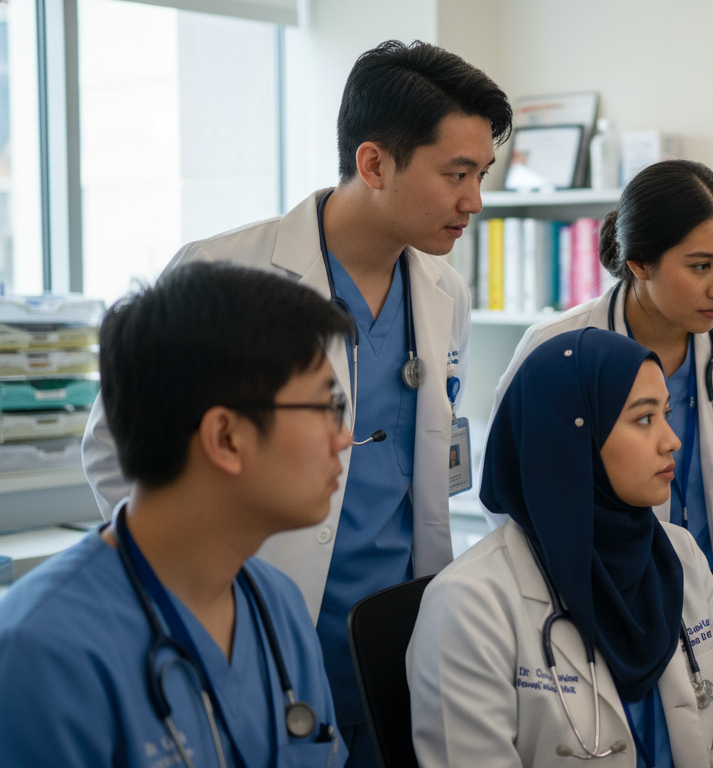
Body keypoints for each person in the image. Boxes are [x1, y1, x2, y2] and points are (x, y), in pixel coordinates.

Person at [80, 41, 511, 763]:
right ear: (374, 164)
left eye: (482, 176)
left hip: (400, 635)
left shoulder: (445, 290)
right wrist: (195, 587)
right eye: (456, 174)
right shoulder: (222, 271)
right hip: (258, 628)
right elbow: (113, 448)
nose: (474, 201)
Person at [0, 263, 352, 766]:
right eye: (326, 407)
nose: (344, 437)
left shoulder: (278, 606)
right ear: (226, 438)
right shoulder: (42, 653)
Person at [408, 329, 713, 768]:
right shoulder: (469, 604)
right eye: (644, 419)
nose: (671, 440)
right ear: (571, 438)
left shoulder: (678, 555)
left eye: (666, 413)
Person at [486, 160, 713, 659]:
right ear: (639, 263)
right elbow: (514, 491)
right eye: (701, 266)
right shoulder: (559, 346)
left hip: (709, 599)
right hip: (597, 599)